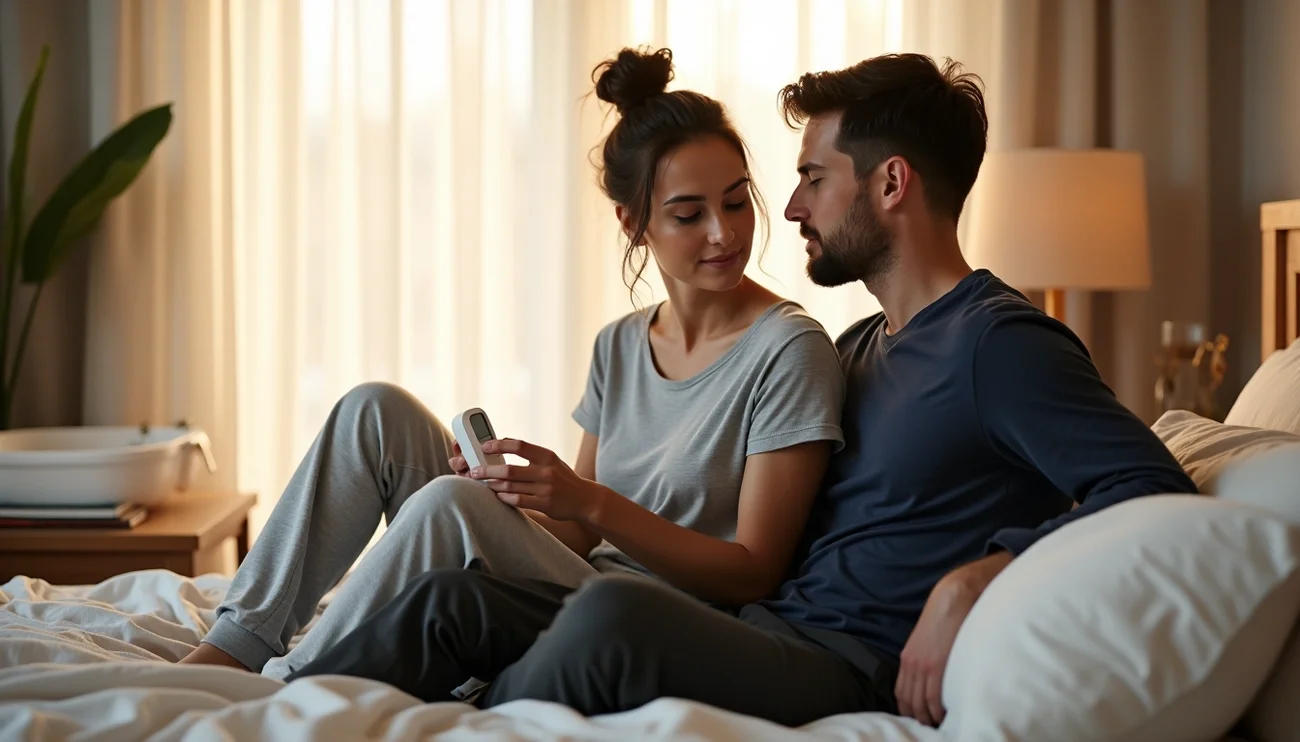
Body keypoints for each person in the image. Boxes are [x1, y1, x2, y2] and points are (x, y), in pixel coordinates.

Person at [284, 52, 1198, 728]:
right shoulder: (866, 342)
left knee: (615, 613)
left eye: (811, 177)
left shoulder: (1000, 344)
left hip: (844, 663)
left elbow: (1153, 487)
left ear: (889, 184)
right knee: (456, 599)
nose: (790, 208)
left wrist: (977, 575)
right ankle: (275, 710)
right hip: (770, 628)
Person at [179, 47, 846, 679]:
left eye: (735, 201)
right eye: (687, 214)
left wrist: (583, 499)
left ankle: (289, 684)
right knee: (372, 412)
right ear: (633, 222)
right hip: (572, 581)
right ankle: (237, 646)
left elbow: (754, 571)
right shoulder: (620, 345)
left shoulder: (789, 351)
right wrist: (517, 497)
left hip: (653, 620)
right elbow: (581, 535)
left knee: (447, 506)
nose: (725, 233)